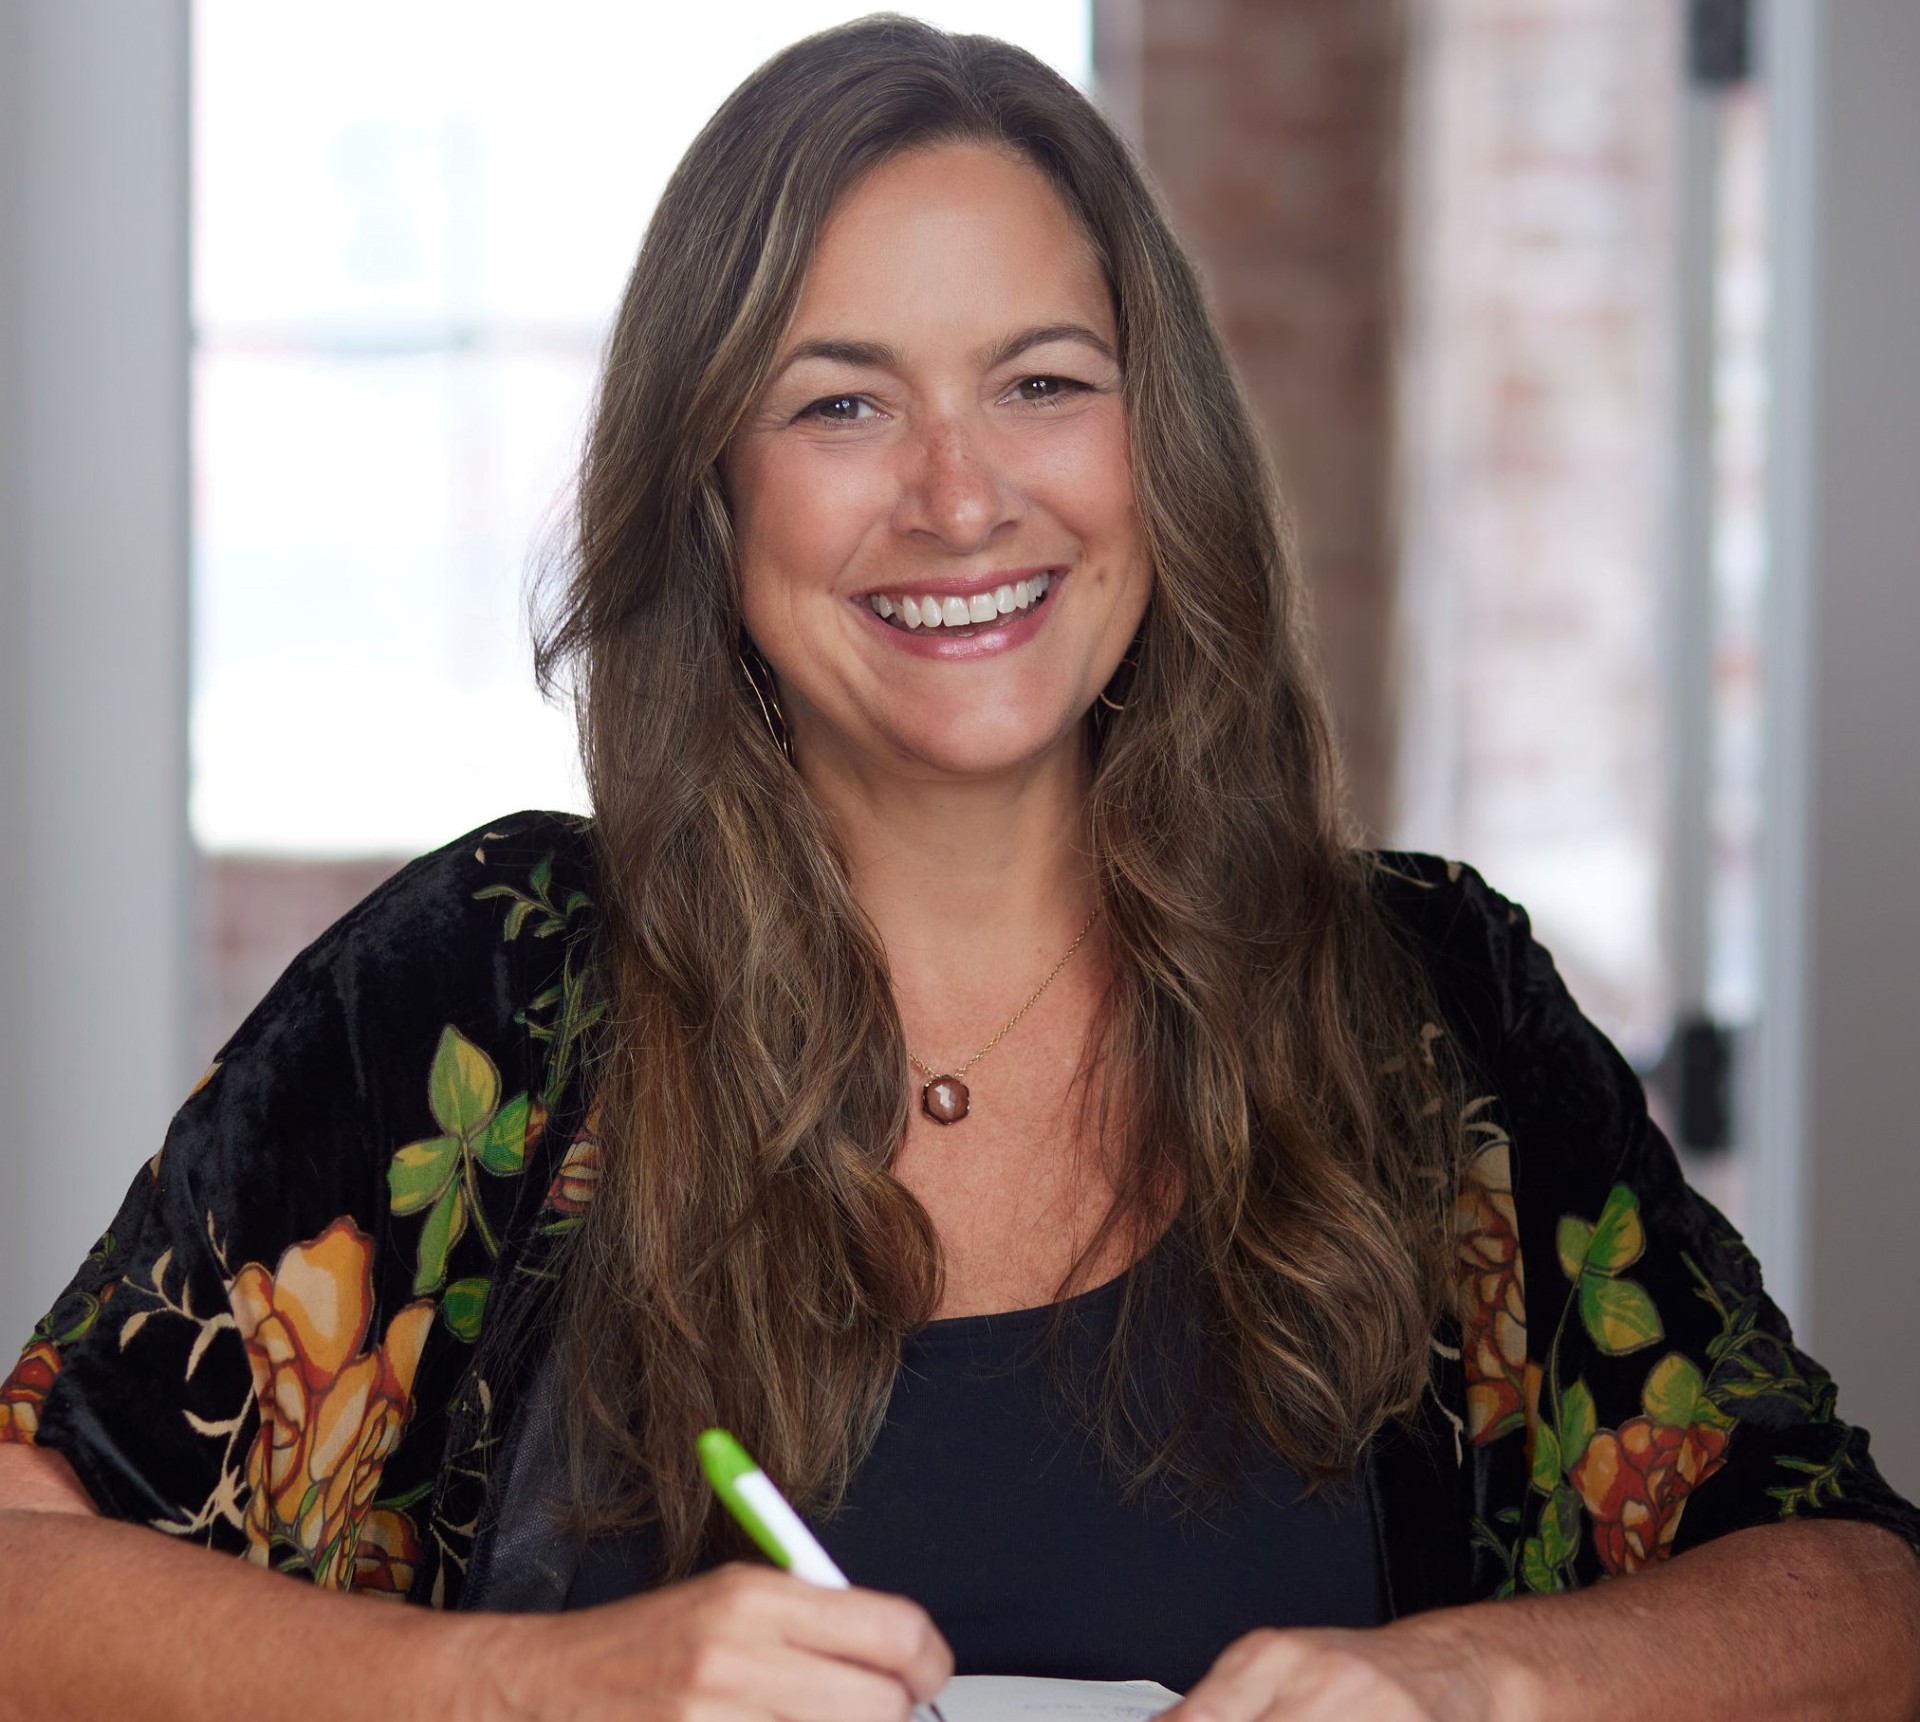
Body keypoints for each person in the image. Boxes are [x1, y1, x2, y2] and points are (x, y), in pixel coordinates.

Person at [2, 16, 1917, 1720]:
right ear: (711, 488)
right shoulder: (480, 995)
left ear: (1163, 444)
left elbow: (1862, 1598)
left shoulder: (1427, 1006)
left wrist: (1475, 1679)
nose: (960, 494)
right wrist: (518, 1687)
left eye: (1043, 383)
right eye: (841, 402)